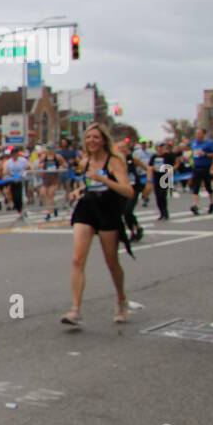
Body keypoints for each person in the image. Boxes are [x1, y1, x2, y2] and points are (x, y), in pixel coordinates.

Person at [62, 123, 135, 327]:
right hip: (86, 208)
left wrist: (104, 178)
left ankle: (121, 300)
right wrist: (79, 191)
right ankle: (75, 310)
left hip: (107, 209)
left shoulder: (114, 162)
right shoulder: (84, 161)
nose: (91, 141)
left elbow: (128, 191)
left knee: (111, 261)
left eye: (95, 137)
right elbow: (90, 184)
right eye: (88, 138)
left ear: (103, 140)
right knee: (77, 259)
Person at [188, 128, 213, 215]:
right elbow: (192, 153)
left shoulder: (209, 143)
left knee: (208, 187)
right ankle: (195, 205)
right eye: (197, 134)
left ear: (204, 134)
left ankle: (212, 203)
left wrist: (205, 154)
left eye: (199, 134)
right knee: (196, 187)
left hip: (206, 167)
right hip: (197, 167)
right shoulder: (194, 143)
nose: (198, 135)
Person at [151, 139, 178, 221]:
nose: (161, 148)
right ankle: (161, 213)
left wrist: (171, 169)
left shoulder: (169, 155)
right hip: (156, 177)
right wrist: (152, 168)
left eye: (162, 147)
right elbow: (149, 166)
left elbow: (177, 163)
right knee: (158, 196)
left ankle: (165, 213)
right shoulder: (154, 156)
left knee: (163, 195)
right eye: (159, 147)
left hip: (165, 177)